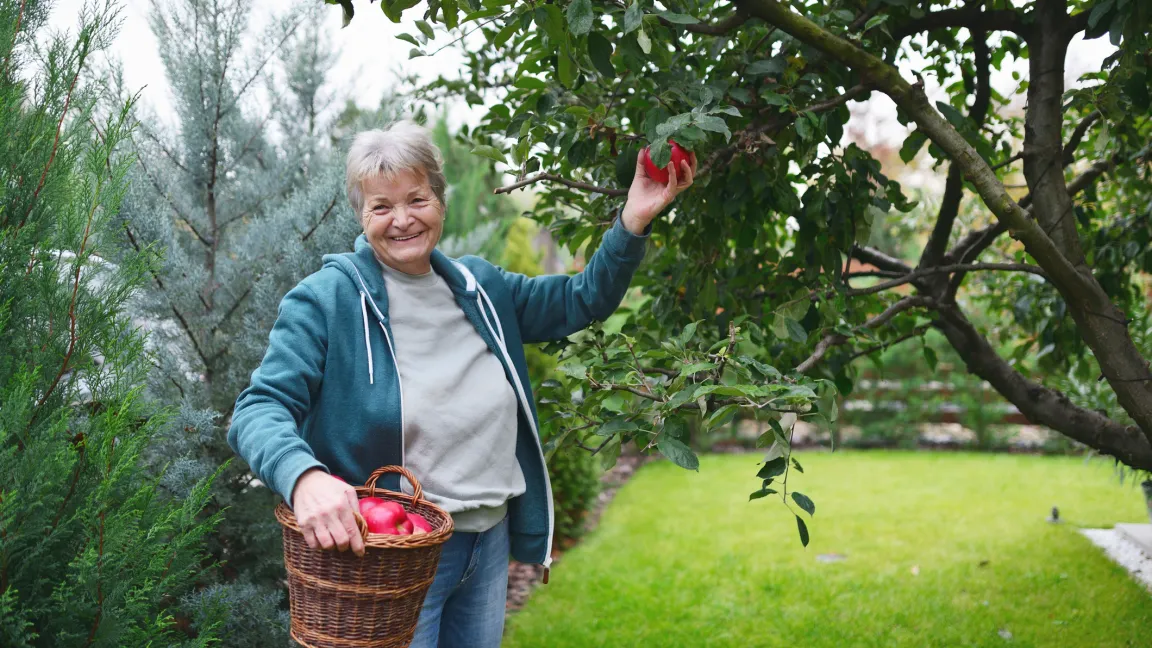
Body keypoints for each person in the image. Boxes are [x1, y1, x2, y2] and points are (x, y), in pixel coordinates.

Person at [227, 119, 696, 647]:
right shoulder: (325, 301)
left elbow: (581, 299)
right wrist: (303, 477)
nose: (402, 220)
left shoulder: (481, 287)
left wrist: (632, 219)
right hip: (393, 554)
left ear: (441, 201)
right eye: (381, 207)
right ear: (361, 215)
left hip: (486, 545)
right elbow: (258, 408)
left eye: (417, 199)